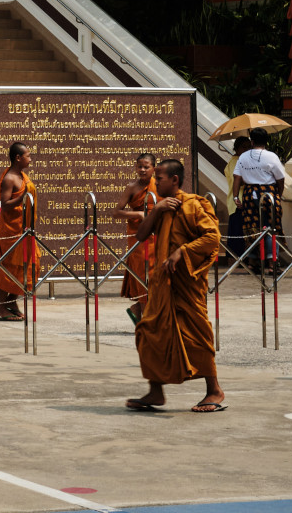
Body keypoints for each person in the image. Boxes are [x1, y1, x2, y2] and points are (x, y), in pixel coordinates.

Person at [125, 158, 225, 413]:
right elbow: (140, 235)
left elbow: (212, 237)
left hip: (186, 285)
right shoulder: (163, 206)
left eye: (159, 179)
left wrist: (182, 250)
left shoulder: (193, 205)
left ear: (175, 180)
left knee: (197, 336)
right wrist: (157, 210)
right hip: (162, 287)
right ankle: (156, 391)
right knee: (148, 333)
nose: (155, 182)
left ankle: (214, 390)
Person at [0, 142, 37, 321]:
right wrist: (22, 197)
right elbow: (4, 204)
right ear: (18, 158)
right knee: (9, 268)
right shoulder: (10, 178)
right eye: (28, 155)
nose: (30, 158)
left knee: (26, 265)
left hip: (24, 228)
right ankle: (0, 307)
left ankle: (12, 302)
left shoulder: (22, 175)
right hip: (11, 230)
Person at [232, 127, 285, 271]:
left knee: (251, 227)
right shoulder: (272, 156)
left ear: (252, 141)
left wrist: (235, 196)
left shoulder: (243, 157)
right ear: (266, 141)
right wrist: (278, 194)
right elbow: (280, 179)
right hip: (269, 193)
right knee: (269, 226)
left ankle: (253, 261)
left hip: (249, 194)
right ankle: (272, 262)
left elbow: (236, 177)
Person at [115, 153, 158, 304]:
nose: (142, 170)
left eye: (146, 167)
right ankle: (144, 309)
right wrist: (139, 214)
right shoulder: (132, 188)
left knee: (156, 274)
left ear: (154, 168)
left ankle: (150, 313)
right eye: (139, 166)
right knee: (141, 272)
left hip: (157, 236)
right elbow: (116, 212)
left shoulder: (159, 185)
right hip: (138, 236)